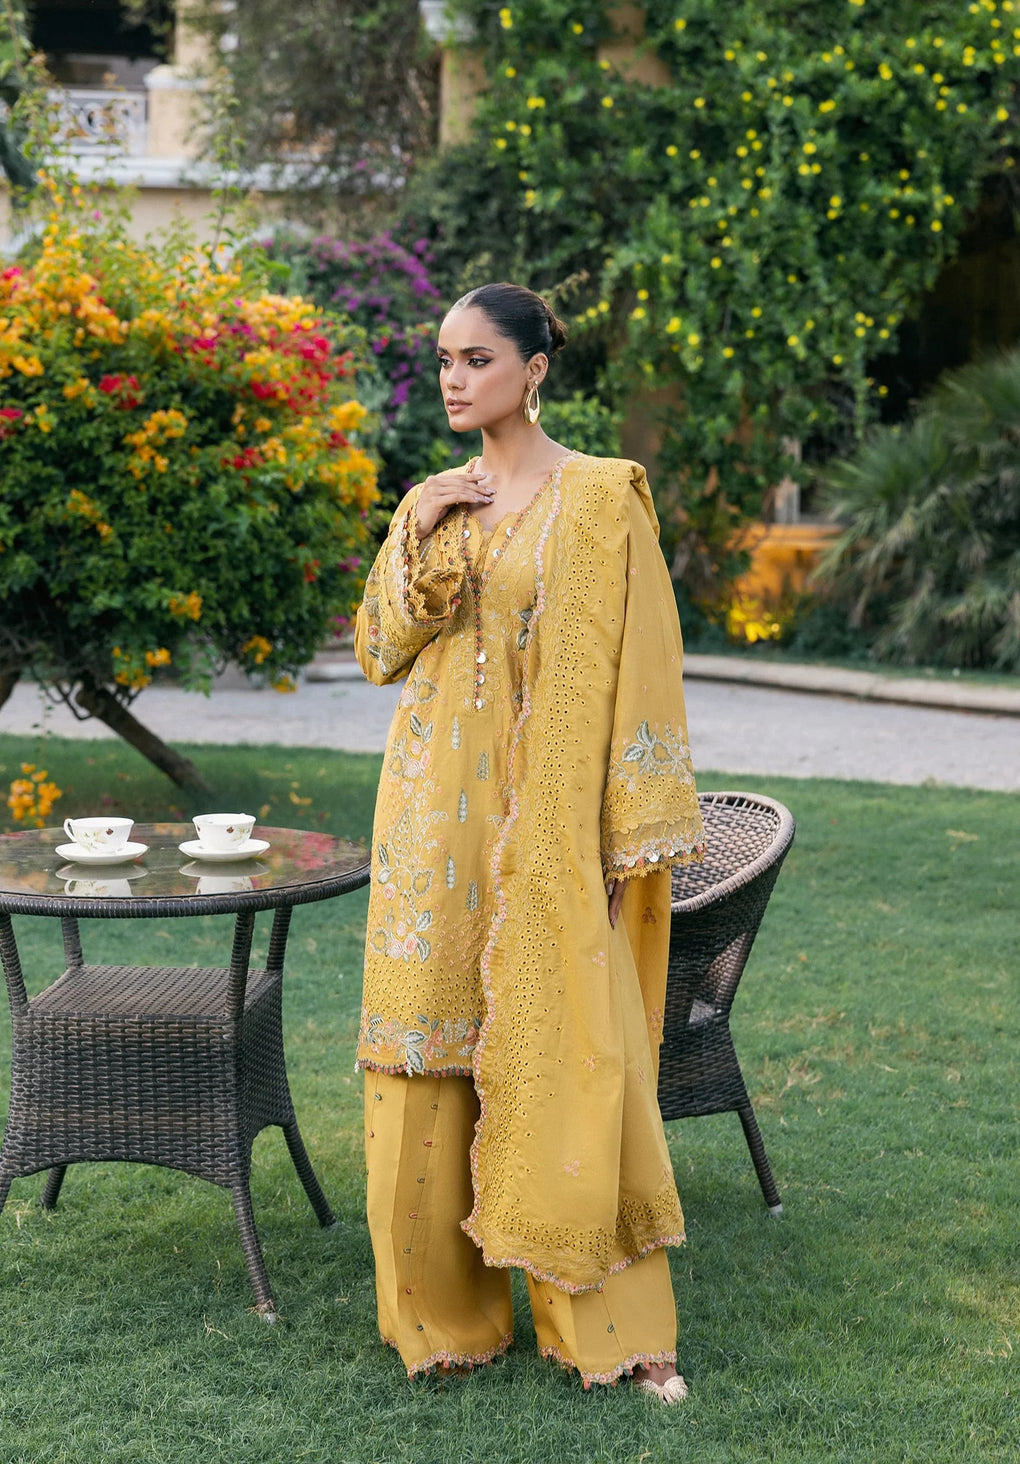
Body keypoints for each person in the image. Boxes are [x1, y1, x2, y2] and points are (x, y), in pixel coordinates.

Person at [353, 281, 704, 1404]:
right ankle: (439, 1318)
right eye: (444, 360)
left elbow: (644, 663)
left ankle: (611, 1324)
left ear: (533, 368)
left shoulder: (600, 498)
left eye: (477, 360)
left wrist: (622, 826)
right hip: (428, 821)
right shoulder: (436, 500)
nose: (454, 380)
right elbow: (377, 649)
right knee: (423, 1051)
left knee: (570, 1051)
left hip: (545, 823)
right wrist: (419, 524)